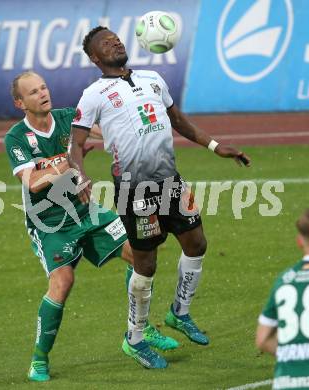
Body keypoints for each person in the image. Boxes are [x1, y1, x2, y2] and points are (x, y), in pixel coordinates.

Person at [68, 26, 251, 369]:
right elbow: (75, 145)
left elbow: (177, 119)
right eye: (106, 43)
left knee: (197, 243)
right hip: (133, 189)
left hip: (171, 181)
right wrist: (79, 176)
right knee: (146, 264)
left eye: (116, 38)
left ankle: (179, 313)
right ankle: (134, 338)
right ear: (95, 58)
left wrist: (214, 146)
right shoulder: (93, 94)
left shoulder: (153, 78)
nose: (116, 42)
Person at [3, 71, 178, 382]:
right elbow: (32, 183)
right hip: (50, 223)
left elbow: (106, 130)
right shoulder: (17, 137)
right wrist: (67, 163)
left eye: (44, 87)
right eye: (33, 92)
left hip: (87, 212)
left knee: (141, 254)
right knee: (63, 282)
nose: (43, 93)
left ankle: (139, 330)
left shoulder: (68, 117)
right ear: (20, 103)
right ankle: (39, 359)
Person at [256, 210, 309, 390]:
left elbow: (263, 339)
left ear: (299, 241)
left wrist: (295, 356)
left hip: (285, 382)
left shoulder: (285, 279)